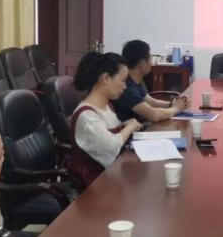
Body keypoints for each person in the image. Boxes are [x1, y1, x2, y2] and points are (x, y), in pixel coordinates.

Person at [70, 52, 141, 188]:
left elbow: (108, 133)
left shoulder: (106, 106)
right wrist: (129, 127)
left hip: (112, 175)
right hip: (95, 186)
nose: (125, 87)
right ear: (106, 78)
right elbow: (110, 146)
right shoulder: (87, 116)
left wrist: (123, 127)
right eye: (122, 81)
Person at [111, 40, 189, 123]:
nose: (151, 63)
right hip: (134, 130)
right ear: (142, 64)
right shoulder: (127, 88)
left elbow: (152, 102)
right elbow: (153, 115)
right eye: (150, 58)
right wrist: (176, 108)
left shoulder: (136, 80)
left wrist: (173, 103)